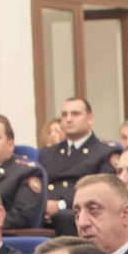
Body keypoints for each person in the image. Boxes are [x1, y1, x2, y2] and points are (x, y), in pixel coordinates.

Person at [37, 97, 121, 231]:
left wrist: (61, 205)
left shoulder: (106, 152)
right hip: (45, 212)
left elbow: (104, 191)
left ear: (90, 118)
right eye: (64, 115)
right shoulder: (47, 153)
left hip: (80, 214)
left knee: (66, 216)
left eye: (75, 114)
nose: (69, 119)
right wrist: (43, 205)